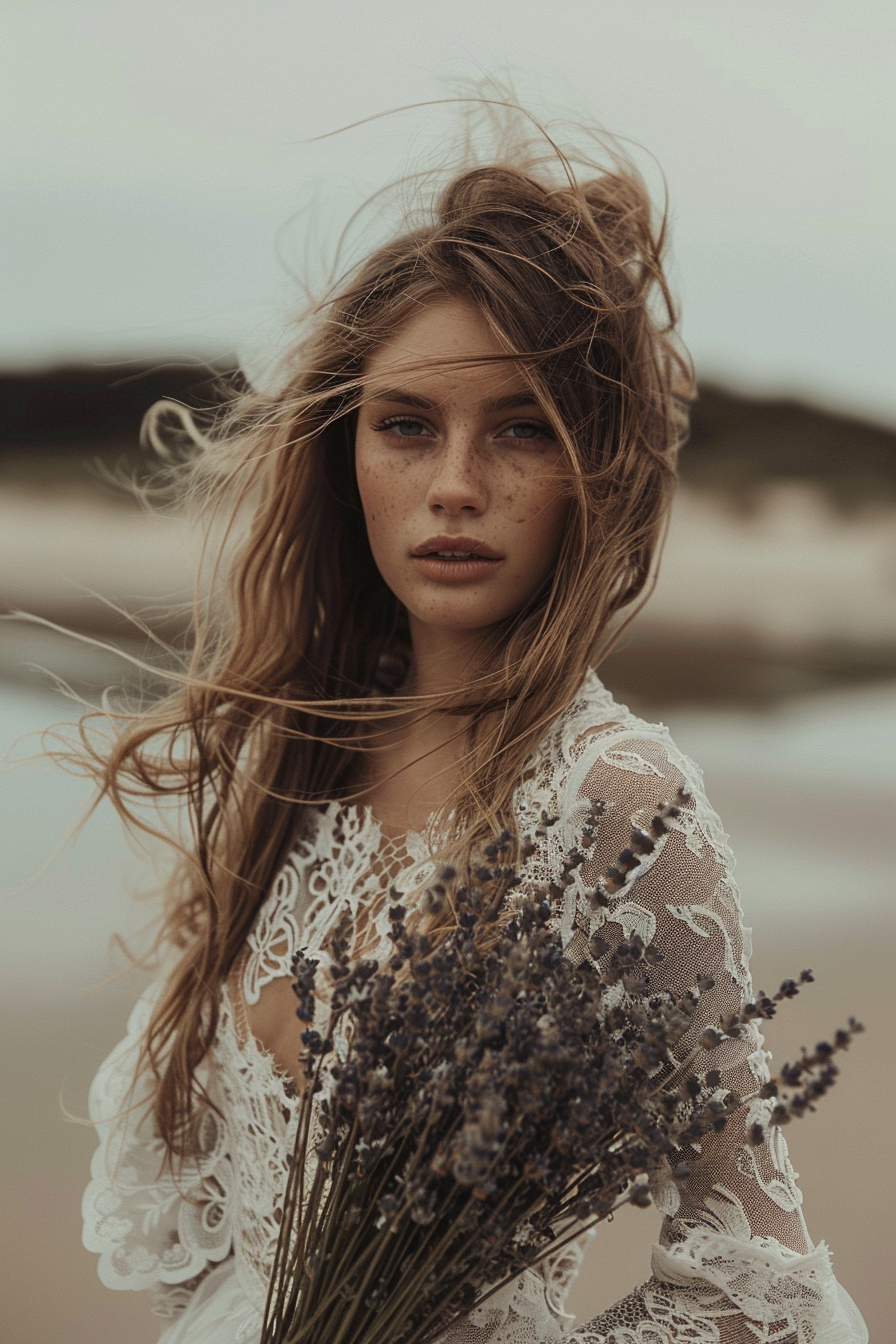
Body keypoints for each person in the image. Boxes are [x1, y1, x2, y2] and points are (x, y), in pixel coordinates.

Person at [80, 106, 868, 1343]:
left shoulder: (612, 802)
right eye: (407, 426)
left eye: (518, 429)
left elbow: (754, 1272)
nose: (453, 484)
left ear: (591, 470)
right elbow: (214, 1239)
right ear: (347, 451)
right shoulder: (300, 744)